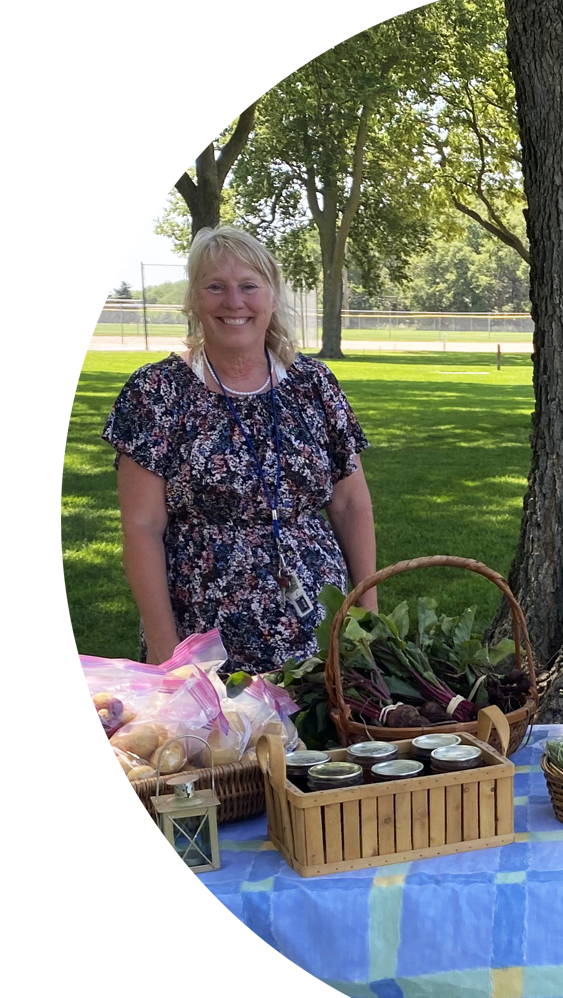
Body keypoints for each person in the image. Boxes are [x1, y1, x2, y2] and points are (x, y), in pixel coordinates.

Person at [103, 225, 378, 673]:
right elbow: (142, 527)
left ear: (271, 296)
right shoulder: (156, 392)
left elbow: (350, 504)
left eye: (249, 286)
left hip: (320, 628)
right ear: (193, 299)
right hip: (204, 639)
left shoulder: (314, 385)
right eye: (215, 287)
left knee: (326, 741)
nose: (234, 302)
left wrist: (367, 615)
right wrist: (168, 652)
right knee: (221, 745)